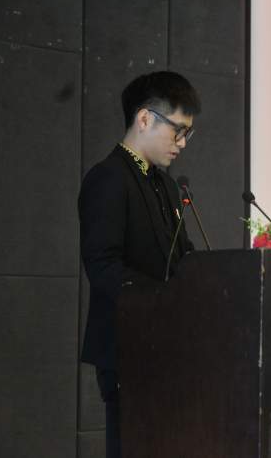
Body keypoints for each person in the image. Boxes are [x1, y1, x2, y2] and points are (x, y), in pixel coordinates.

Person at [78, 71, 201, 458]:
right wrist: (165, 299)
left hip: (169, 345)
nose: (182, 143)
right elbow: (102, 265)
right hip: (127, 349)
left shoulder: (166, 185)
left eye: (188, 133)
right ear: (145, 118)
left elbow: (183, 257)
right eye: (178, 130)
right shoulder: (108, 178)